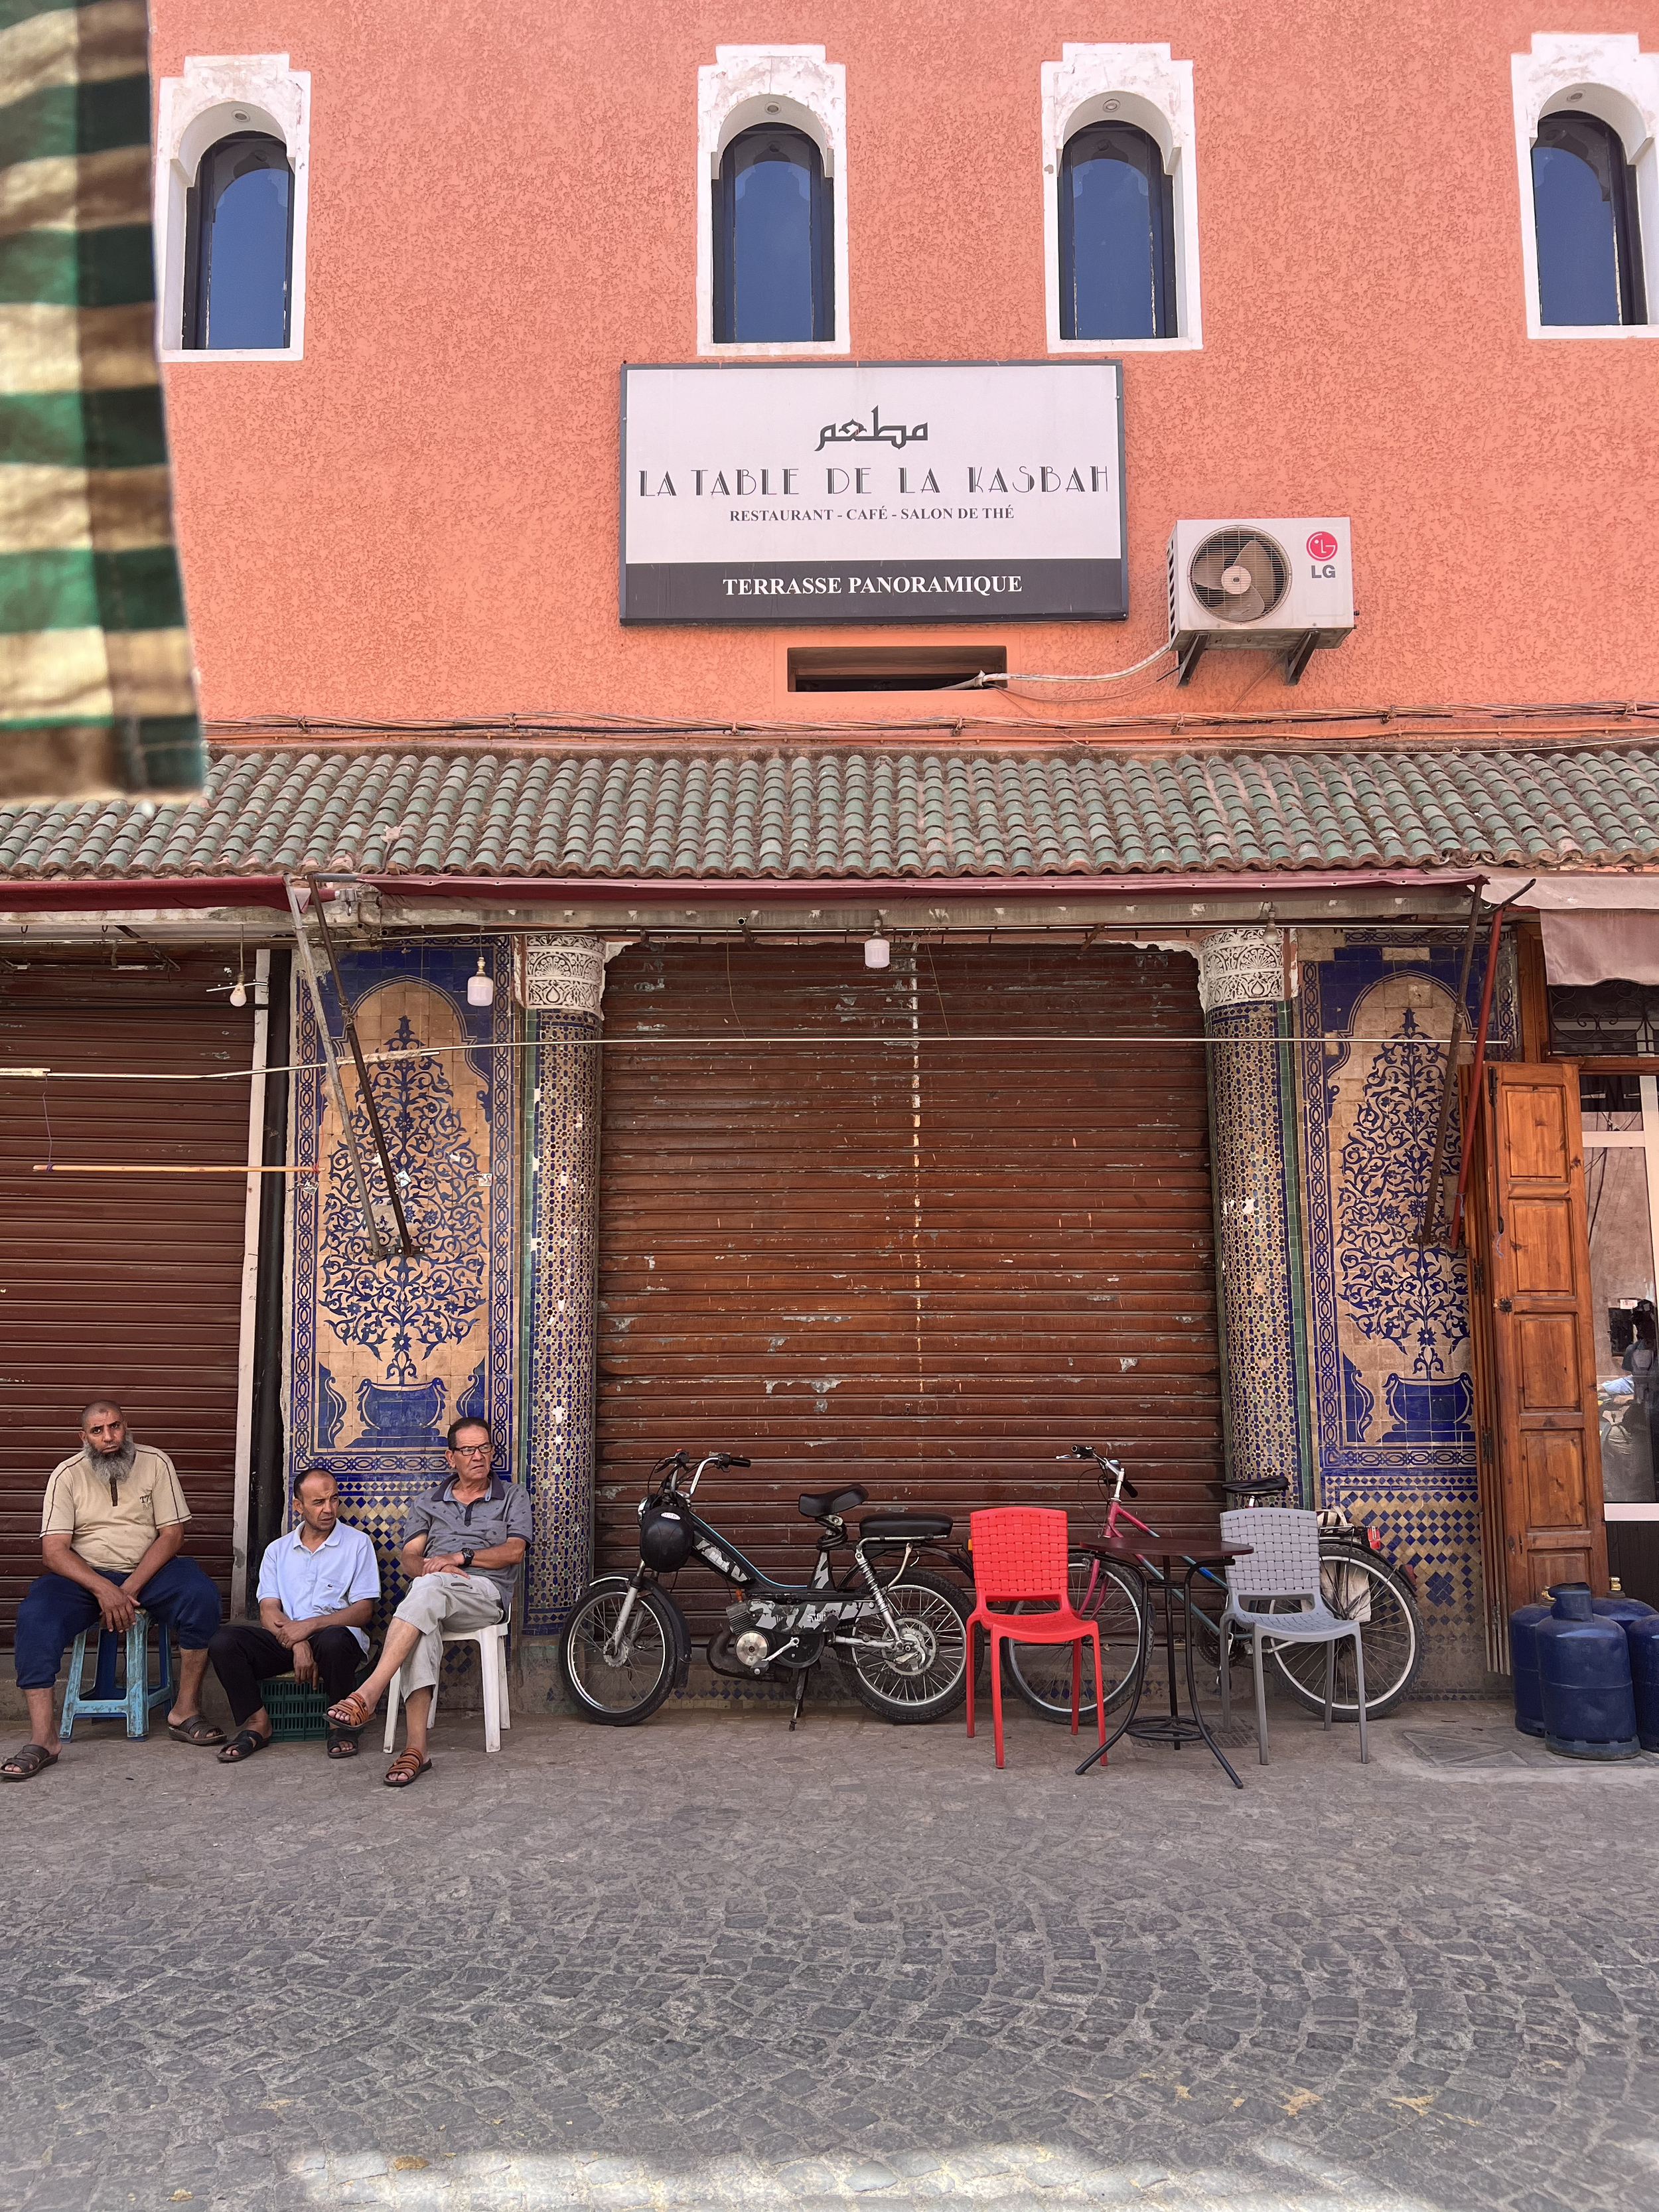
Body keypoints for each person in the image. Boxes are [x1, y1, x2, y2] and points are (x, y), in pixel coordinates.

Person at [3, 1400, 225, 1780]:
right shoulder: (66, 1475)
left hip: (149, 1572)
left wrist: (129, 1588)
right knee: (35, 1615)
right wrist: (104, 1589)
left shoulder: (156, 1463)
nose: (109, 1437)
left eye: (116, 1427)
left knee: (200, 1595)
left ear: (127, 1426)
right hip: (86, 1577)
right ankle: (44, 1739)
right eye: (98, 1431)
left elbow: (173, 1535)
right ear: (83, 1437)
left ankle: (184, 1710)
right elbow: (53, 1552)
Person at [326, 1417, 529, 1788]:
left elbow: (514, 1552)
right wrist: (432, 1570)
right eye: (468, 1450)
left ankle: (368, 1693)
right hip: (435, 1595)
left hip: (485, 1595)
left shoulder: (513, 1496)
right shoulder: (429, 1502)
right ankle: (417, 1750)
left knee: (428, 1590)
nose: (478, 1457)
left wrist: (459, 1558)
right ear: (451, 1457)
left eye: (484, 1448)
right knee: (425, 1608)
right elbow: (410, 1560)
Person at [208, 1466, 381, 1764]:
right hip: (286, 1638)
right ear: (298, 1506)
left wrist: (311, 1626)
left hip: (334, 1638)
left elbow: (364, 1611)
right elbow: (268, 1610)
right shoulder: (278, 1550)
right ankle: (257, 1723)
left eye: (334, 1500)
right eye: (318, 1502)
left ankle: (339, 1725)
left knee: (335, 1640)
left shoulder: (357, 1544)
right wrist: (296, 1640)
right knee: (224, 1641)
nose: (329, 1509)